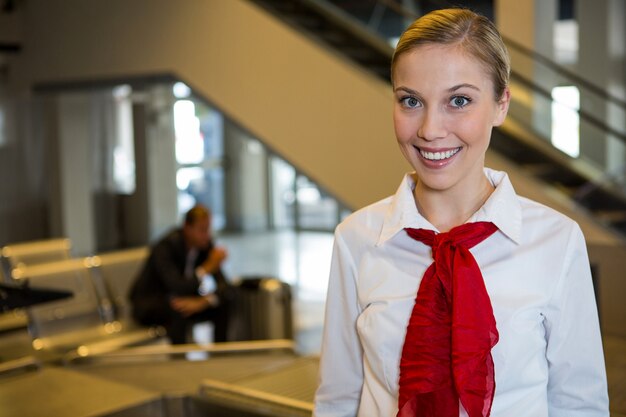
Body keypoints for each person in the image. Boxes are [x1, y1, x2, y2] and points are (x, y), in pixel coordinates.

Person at [314, 8, 609, 417]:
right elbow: (339, 400)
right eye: (411, 101)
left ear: (501, 105)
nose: (430, 129)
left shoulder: (556, 241)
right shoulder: (357, 239)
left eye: (459, 100)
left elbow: (579, 405)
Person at [129, 204, 231, 344]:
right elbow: (176, 286)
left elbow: (224, 286)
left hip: (184, 302)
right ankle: (180, 362)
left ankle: (220, 356)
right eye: (202, 230)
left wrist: (204, 301)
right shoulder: (165, 247)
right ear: (187, 228)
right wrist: (206, 269)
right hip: (151, 305)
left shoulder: (204, 246)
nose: (207, 235)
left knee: (223, 303)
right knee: (178, 309)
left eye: (208, 229)